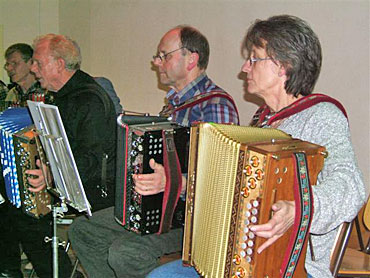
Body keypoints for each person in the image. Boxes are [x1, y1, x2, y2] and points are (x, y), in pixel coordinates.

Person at [146, 15, 366, 278]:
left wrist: (299, 208)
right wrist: (175, 183)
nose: (244, 68)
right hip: (239, 260)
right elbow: (224, 189)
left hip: (294, 268)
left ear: (283, 65)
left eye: (254, 58)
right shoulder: (261, 124)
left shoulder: (322, 116)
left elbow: (351, 186)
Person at [68, 25, 239, 278]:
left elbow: (222, 182)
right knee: (83, 230)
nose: (156, 62)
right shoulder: (173, 106)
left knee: (125, 252)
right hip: (160, 210)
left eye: (164, 55)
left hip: (193, 220)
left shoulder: (215, 106)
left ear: (191, 59)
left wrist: (172, 183)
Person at [0, 43, 75, 278]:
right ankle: (8, 268)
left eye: (14, 62)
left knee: (16, 207)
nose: (8, 67)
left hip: (44, 171)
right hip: (17, 168)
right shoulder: (11, 94)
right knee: (4, 201)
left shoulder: (47, 93)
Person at [29, 34, 117, 212]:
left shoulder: (89, 100)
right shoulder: (64, 95)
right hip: (74, 189)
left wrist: (51, 175)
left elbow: (91, 159)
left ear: (59, 64)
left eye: (38, 63)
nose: (33, 69)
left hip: (94, 200)